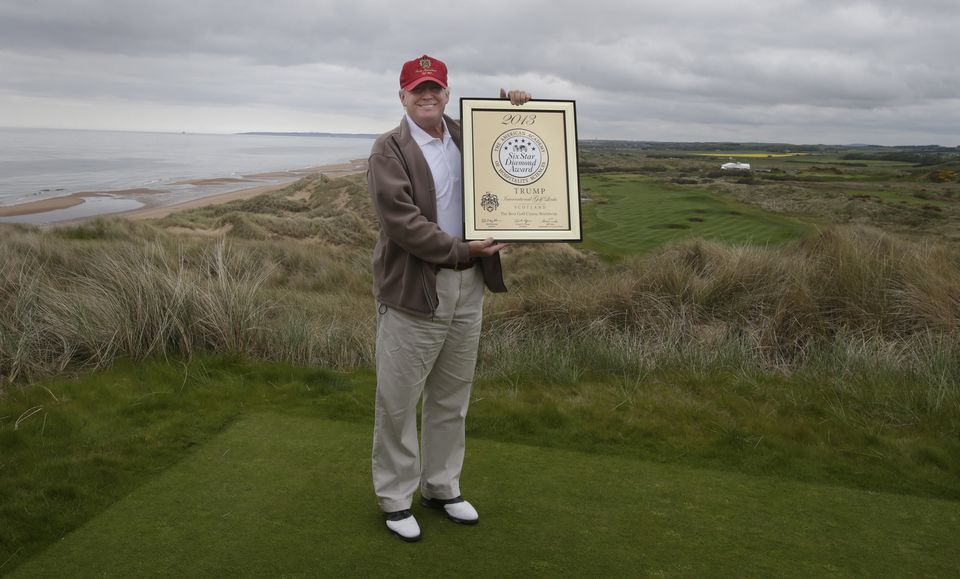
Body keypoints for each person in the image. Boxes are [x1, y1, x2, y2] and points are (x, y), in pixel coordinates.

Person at [367, 54, 530, 542]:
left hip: (470, 284)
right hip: (416, 288)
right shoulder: (388, 150)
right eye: (418, 89)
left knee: (452, 397)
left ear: (447, 92)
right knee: (398, 402)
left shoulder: (470, 133)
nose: (427, 95)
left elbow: (513, 148)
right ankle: (396, 498)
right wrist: (460, 248)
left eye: (434, 87)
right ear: (402, 96)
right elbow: (402, 223)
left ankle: (441, 487)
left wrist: (514, 110)